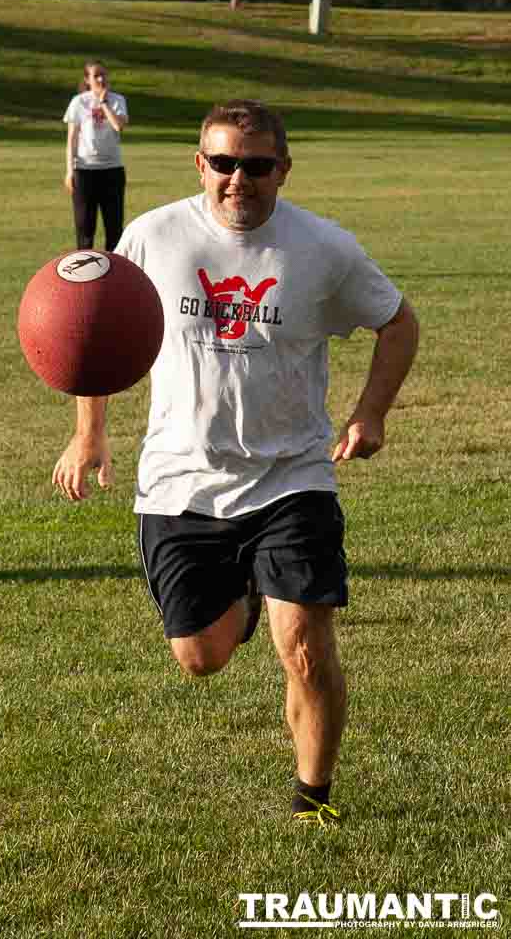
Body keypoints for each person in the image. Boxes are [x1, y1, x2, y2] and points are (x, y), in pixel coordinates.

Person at [52, 100, 419, 827]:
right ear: (201, 164)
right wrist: (87, 431)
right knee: (200, 656)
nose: (238, 179)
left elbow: (397, 321)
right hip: (179, 479)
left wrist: (369, 412)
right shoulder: (153, 235)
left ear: (282, 169)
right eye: (223, 162)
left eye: (256, 165)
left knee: (304, 646)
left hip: (291, 476)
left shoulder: (322, 247)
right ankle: (248, 594)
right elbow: (95, 327)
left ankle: (311, 798)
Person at [63, 61, 129, 252]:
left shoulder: (117, 100)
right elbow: (72, 139)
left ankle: (115, 275)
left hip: (112, 171)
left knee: (114, 229)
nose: (101, 79)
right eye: (96, 75)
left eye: (103, 75)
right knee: (85, 229)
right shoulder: (79, 102)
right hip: (84, 171)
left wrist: (103, 102)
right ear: (87, 79)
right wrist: (69, 171)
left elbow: (119, 126)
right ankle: (84, 278)